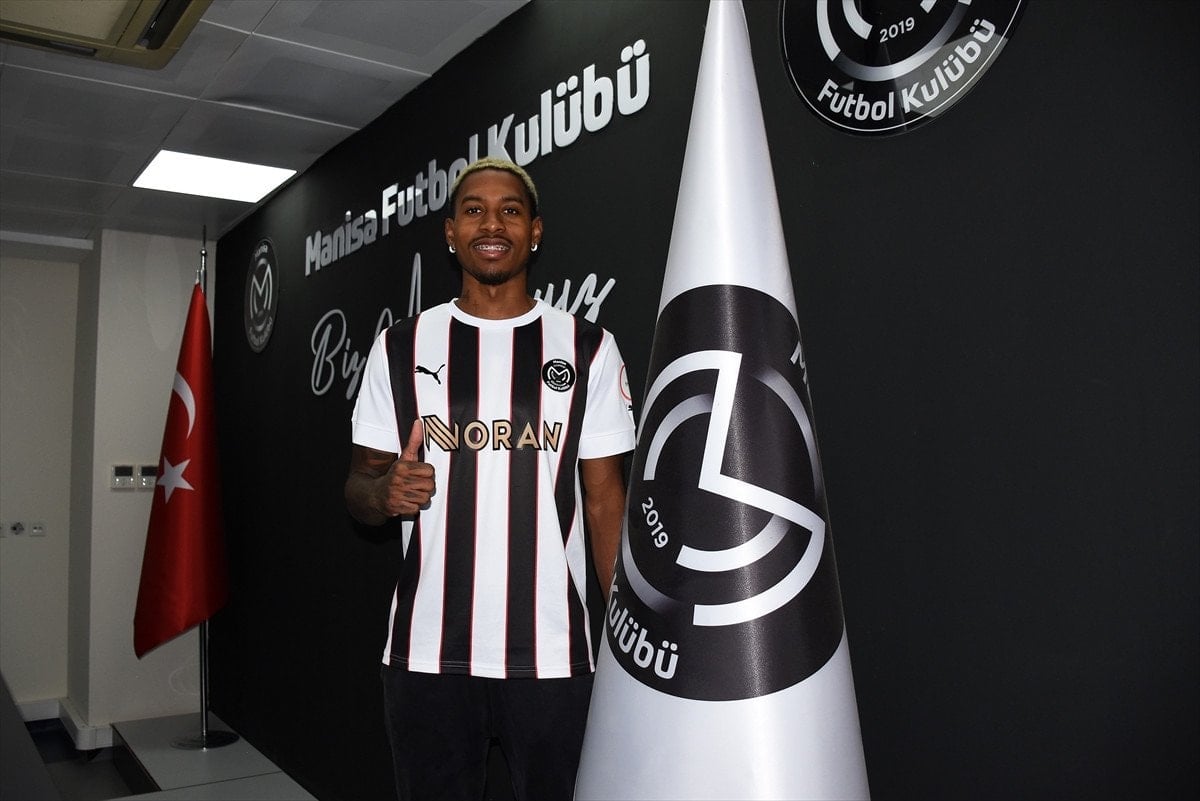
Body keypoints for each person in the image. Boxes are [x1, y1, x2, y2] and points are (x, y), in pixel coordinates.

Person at [344, 157, 636, 801]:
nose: (492, 224)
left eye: (510, 210)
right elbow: (359, 487)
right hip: (428, 653)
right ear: (450, 232)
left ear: (535, 231)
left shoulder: (588, 347)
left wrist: (624, 632)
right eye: (474, 210)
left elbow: (604, 500)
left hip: (553, 652)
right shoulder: (400, 346)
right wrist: (383, 492)